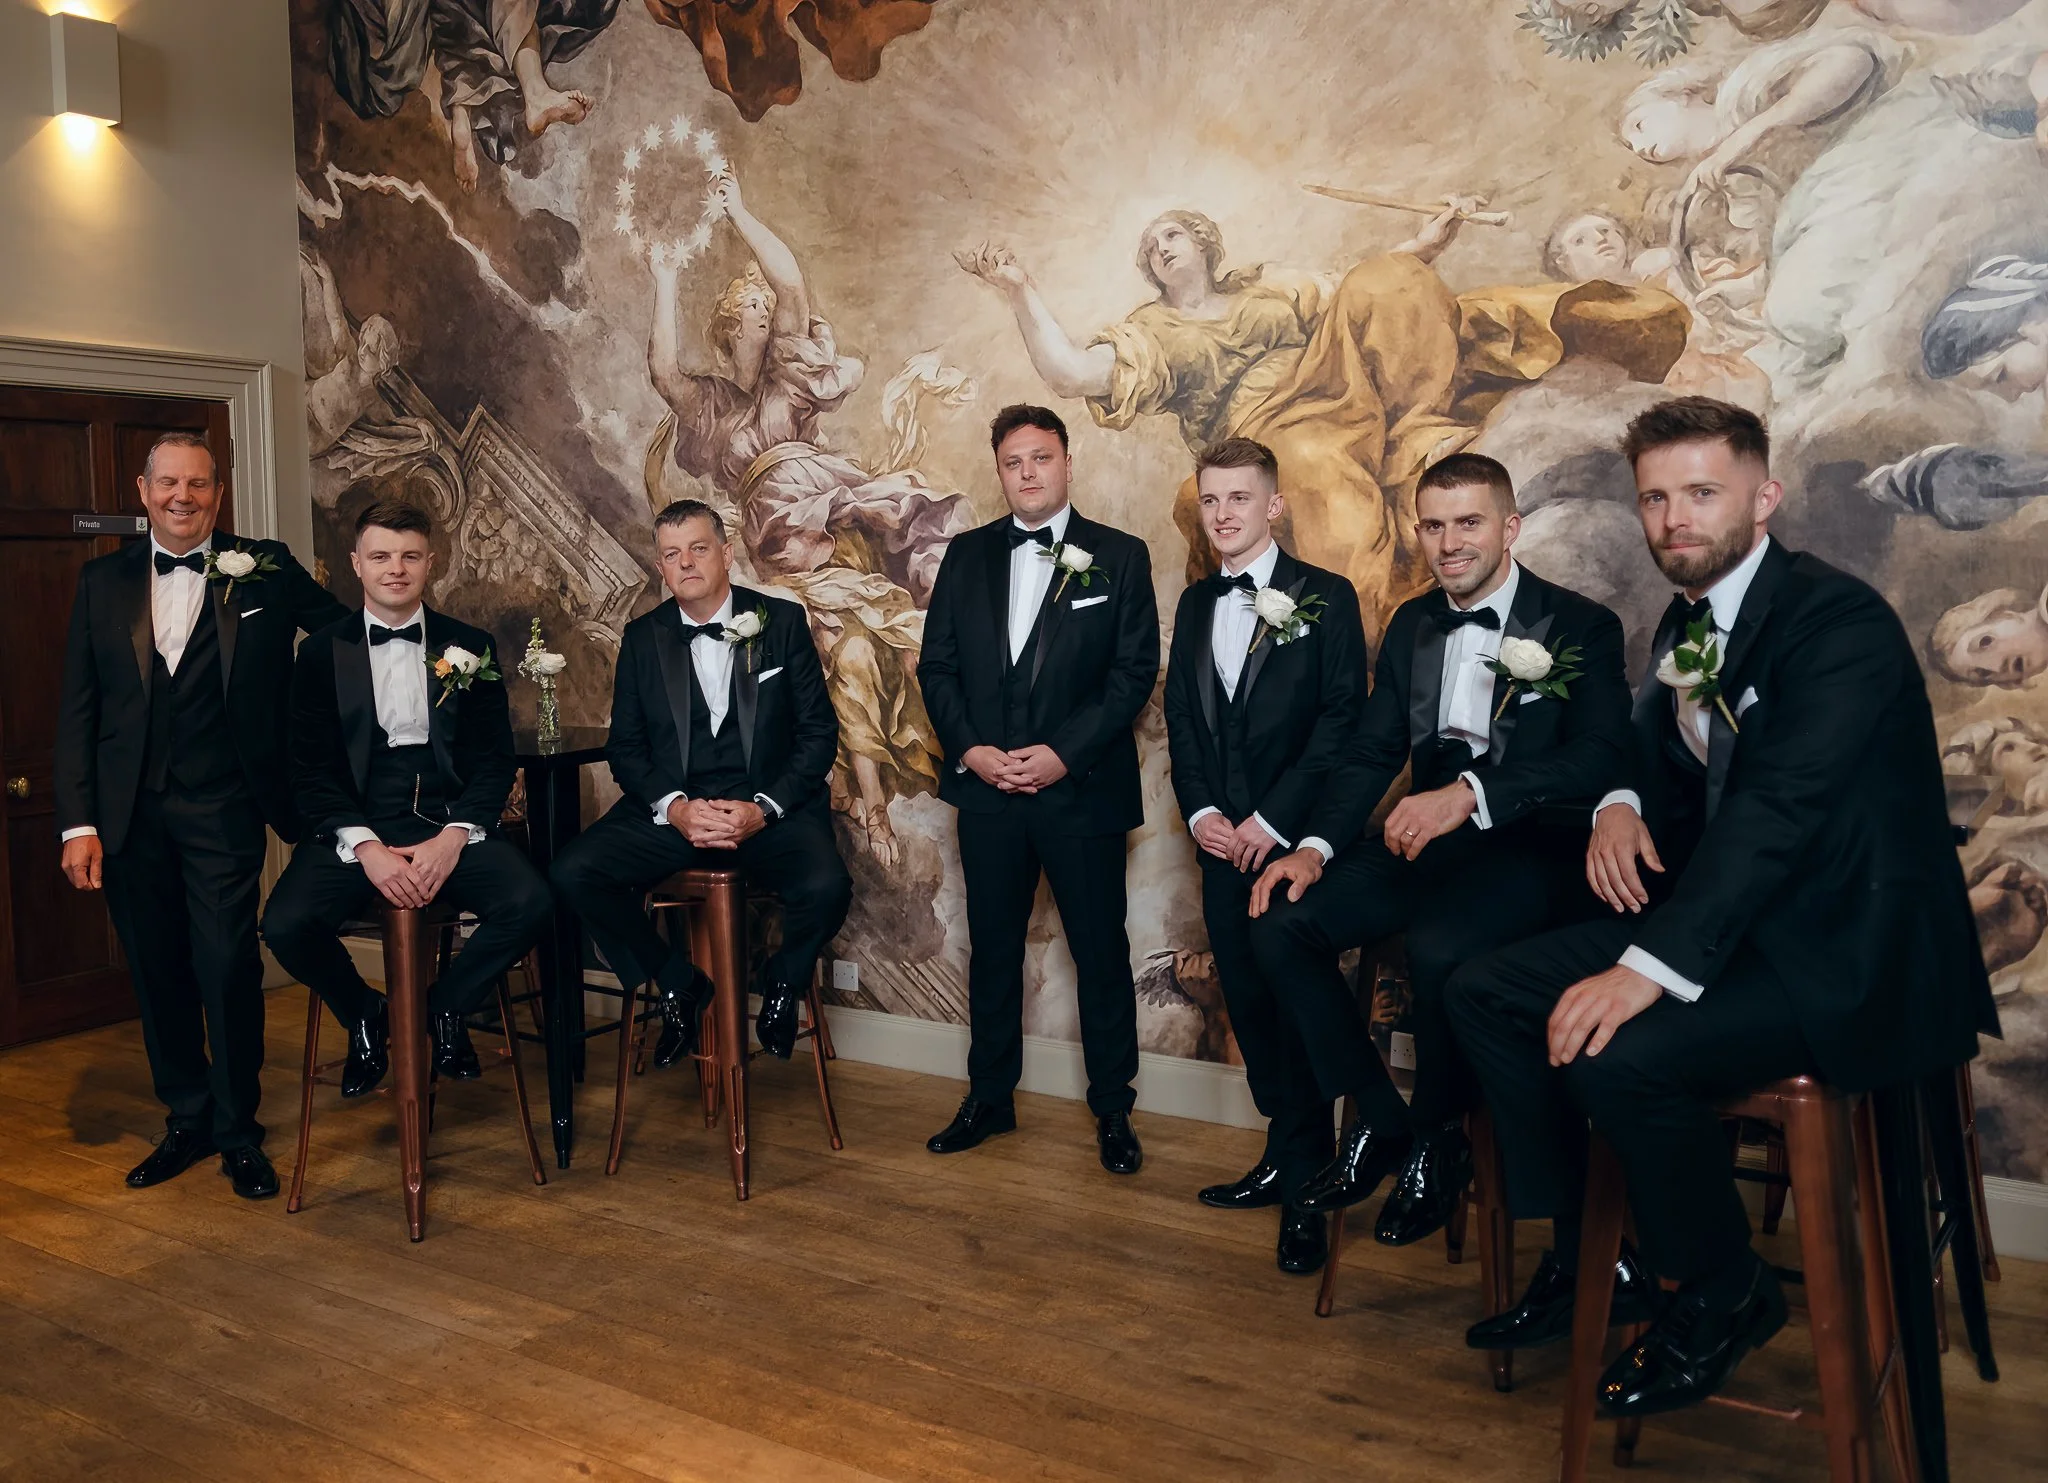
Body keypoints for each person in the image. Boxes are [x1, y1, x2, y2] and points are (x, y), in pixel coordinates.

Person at [1444, 397, 1999, 1418]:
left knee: (1615, 1051)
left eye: (1701, 492)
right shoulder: (1685, 620)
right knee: (1485, 989)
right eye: (1655, 498)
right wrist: (1617, 802)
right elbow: (1646, 750)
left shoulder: (1837, 623)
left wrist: (1640, 970)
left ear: (1764, 496)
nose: (1673, 518)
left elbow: (1777, 810)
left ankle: (1721, 1285)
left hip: (1839, 949)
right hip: (1736, 927)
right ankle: (1591, 1254)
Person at [959, 208, 1686, 636]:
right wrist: (1019, 290)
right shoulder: (1154, 334)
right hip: (1268, 426)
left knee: (1389, 276)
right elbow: (1069, 373)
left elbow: (1355, 293)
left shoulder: (1269, 289)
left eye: (1174, 233)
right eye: (1152, 246)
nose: (1162, 247)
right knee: (1308, 462)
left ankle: (1424, 428)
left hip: (1337, 381)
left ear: (1205, 243)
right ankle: (1373, 623)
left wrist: (1426, 245)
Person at [1246, 452, 1630, 1248]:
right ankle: (1382, 1118)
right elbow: (1370, 751)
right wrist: (1312, 847)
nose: (1449, 542)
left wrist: (1473, 793)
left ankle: (1438, 1134)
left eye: (1468, 522)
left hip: (1528, 848)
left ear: (1509, 527)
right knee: (1283, 921)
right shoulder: (1414, 622)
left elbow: (1598, 755)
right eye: (1433, 525)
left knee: (1438, 946)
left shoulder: (1580, 624)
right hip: (1424, 845)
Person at [647, 170, 971, 865]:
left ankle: (934, 770)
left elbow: (791, 284)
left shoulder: (786, 378)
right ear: (730, 326)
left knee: (880, 638)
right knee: (838, 646)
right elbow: (663, 371)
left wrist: (739, 212)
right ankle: (866, 800)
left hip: (828, 512)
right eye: (753, 310)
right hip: (777, 539)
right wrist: (665, 280)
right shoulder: (711, 404)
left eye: (768, 311)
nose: (767, 316)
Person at [54, 433, 347, 1199]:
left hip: (224, 804)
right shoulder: (102, 580)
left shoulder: (265, 565)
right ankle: (187, 1116)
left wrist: (305, 721)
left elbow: (346, 639)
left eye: (198, 484)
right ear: (143, 490)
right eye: (168, 483)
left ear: (219, 493)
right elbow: (79, 709)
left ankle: (239, 1129)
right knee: (157, 970)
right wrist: (77, 823)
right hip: (128, 813)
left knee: (225, 963)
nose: (182, 496)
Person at [916, 405, 1160, 1172]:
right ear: (1000, 471)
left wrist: (1061, 754)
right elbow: (937, 667)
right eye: (1013, 461)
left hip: (1081, 791)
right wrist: (972, 750)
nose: (1027, 472)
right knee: (992, 950)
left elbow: (1131, 675)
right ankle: (990, 1097)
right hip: (988, 793)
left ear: (1067, 462)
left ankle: (1113, 1109)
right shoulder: (966, 556)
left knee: (1099, 952)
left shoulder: (1120, 556)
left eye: (1041, 457)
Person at [261, 501, 552, 1095]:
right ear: (357, 564)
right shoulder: (319, 653)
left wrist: (454, 838)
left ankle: (446, 1007)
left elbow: (494, 760)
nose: (395, 569)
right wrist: (366, 848)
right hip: (357, 821)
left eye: (409, 556)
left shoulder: (469, 644)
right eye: (381, 557)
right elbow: (309, 770)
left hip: (447, 818)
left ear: (430, 562)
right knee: (285, 925)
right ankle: (365, 1012)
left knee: (532, 902)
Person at [1162, 436, 1368, 1274]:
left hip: (1293, 849)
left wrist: (1274, 822)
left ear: (1274, 505)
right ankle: (1286, 1151)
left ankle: (1312, 1188)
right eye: (1211, 500)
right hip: (1220, 847)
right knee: (1247, 1003)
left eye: (1239, 498)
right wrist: (1203, 812)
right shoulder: (1195, 603)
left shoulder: (1328, 597)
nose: (1223, 514)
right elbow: (1183, 718)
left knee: (1295, 1008)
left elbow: (1341, 721)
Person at [548, 499, 849, 1068]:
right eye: (671, 554)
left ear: (727, 554)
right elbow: (626, 749)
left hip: (766, 812)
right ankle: (677, 982)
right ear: (661, 567)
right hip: (679, 815)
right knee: (573, 872)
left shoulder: (782, 622)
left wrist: (763, 808)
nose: (685, 563)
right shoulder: (643, 637)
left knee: (828, 884)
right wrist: (676, 808)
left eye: (698, 548)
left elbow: (817, 735)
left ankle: (783, 983)